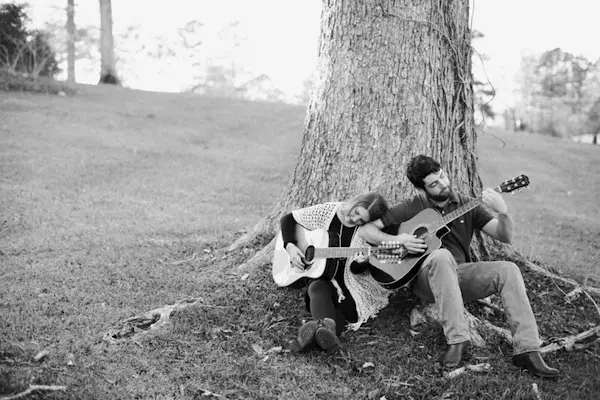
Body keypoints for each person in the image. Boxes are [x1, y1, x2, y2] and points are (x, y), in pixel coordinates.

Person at [357, 155, 560, 378]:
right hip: (426, 280)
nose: (443, 183)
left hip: (460, 276)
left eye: (442, 176)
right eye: (434, 183)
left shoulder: (468, 204)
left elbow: (504, 236)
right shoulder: (413, 206)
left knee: (509, 269)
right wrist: (400, 241)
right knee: (441, 256)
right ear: (422, 189)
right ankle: (458, 340)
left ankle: (527, 350)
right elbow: (367, 230)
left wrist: (503, 212)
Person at [280, 191, 393, 353]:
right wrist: (290, 246)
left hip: (350, 286)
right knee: (316, 288)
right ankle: (324, 335)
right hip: (323, 278)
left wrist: (361, 263)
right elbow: (288, 219)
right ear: (354, 202)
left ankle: (315, 335)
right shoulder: (329, 211)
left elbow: (356, 271)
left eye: (361, 220)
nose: (354, 219)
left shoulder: (364, 233)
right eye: (355, 213)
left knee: (344, 309)